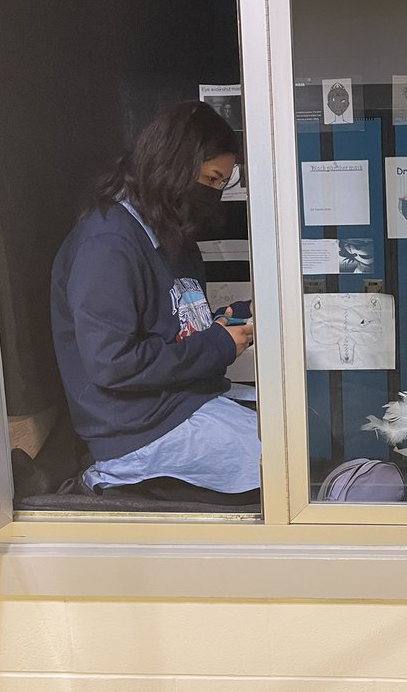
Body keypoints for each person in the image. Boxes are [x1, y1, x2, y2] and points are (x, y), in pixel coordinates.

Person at [50, 101, 259, 499]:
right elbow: (115, 364)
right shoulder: (108, 244)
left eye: (221, 184)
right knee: (291, 466)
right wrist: (217, 344)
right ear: (175, 166)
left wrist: (224, 323)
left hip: (182, 403)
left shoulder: (171, 236)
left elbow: (172, 331)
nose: (213, 195)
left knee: (303, 431)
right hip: (137, 432)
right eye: (211, 180)